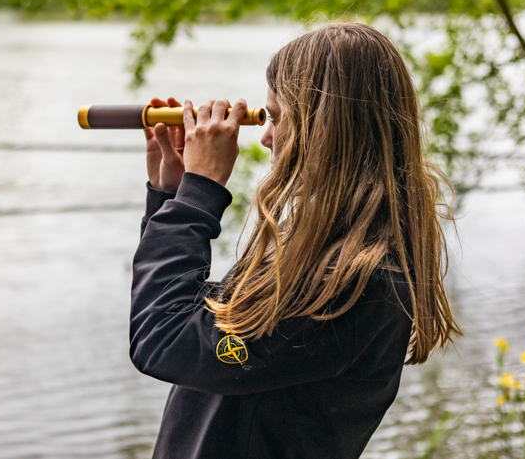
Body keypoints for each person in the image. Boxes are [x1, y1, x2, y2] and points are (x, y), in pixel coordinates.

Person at [129, 22, 462, 458]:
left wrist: (199, 194)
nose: (266, 137)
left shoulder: (355, 283)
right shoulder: (326, 254)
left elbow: (165, 339)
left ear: (329, 128)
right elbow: (202, 322)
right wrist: (171, 197)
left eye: (280, 118)